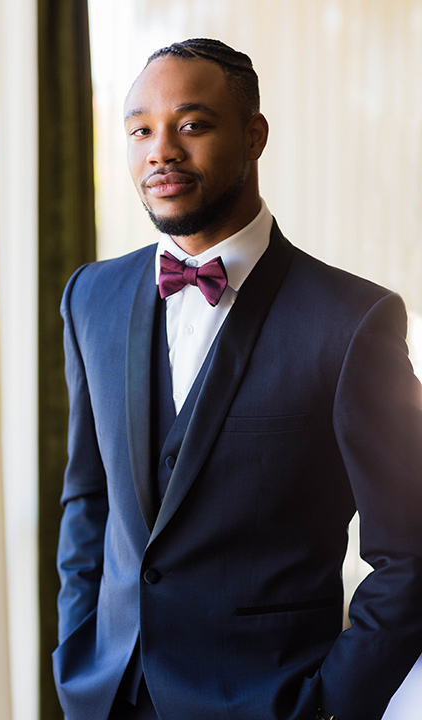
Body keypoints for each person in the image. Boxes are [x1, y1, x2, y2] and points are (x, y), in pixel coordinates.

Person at [52, 38, 422, 720]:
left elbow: (412, 555)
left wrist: (329, 706)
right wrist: (76, 655)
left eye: (191, 124)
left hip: (271, 702)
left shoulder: (352, 321)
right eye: (141, 129)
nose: (160, 150)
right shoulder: (89, 298)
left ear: (255, 136)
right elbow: (87, 501)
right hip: (105, 697)